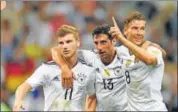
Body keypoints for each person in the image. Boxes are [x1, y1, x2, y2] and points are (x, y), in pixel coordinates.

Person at [13, 25, 97, 111]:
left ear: (78, 43)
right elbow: (23, 87)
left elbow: (92, 97)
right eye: (61, 43)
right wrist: (18, 100)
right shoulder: (47, 68)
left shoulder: (88, 71)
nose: (65, 46)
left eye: (68, 42)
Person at [52, 24, 129, 111]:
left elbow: (145, 50)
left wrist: (123, 39)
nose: (99, 47)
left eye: (103, 42)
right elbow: (55, 50)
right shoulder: (91, 57)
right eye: (96, 43)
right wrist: (64, 67)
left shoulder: (125, 53)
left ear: (113, 40)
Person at [109, 11, 167, 111]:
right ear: (125, 30)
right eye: (135, 28)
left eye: (142, 29)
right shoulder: (121, 51)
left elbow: (150, 59)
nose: (139, 33)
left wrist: (122, 39)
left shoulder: (152, 49)